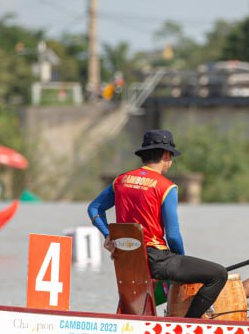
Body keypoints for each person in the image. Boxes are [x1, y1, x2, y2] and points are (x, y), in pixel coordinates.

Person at [87, 129, 227, 318]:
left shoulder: (121, 180)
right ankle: (189, 326)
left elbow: (94, 209)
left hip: (125, 256)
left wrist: (108, 236)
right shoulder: (166, 187)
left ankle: (137, 318)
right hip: (156, 260)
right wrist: (181, 263)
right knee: (218, 275)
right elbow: (173, 235)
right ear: (166, 155)